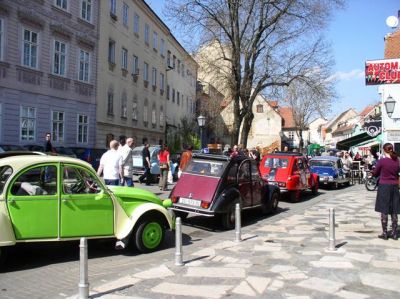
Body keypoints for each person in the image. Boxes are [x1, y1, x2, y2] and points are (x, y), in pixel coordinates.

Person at [372, 143, 400, 240]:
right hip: (395, 186)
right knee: (394, 210)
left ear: (384, 150)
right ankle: (395, 233)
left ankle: (384, 233)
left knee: (384, 209)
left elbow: (375, 173)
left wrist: (373, 173)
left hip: (384, 186)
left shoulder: (382, 161)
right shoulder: (397, 161)